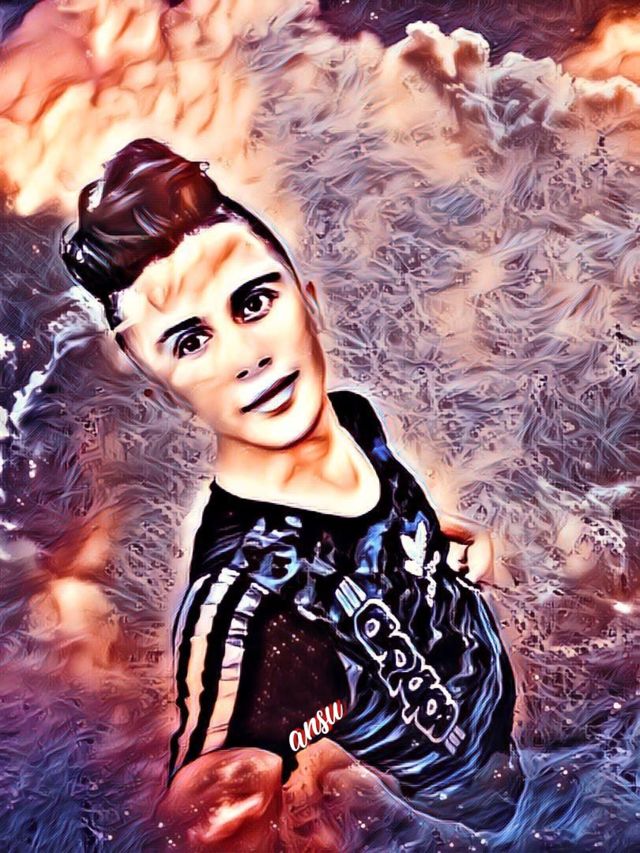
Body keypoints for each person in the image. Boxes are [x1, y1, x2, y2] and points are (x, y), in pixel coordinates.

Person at [59, 137, 524, 841]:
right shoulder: (251, 607)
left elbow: (381, 532)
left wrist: (450, 547)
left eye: (253, 303)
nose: (248, 357)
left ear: (307, 299)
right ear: (158, 383)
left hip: (514, 739)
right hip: (477, 811)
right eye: (190, 341)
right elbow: (210, 795)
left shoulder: (353, 421)